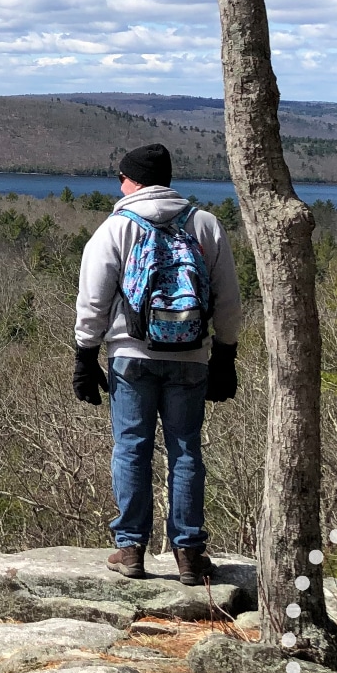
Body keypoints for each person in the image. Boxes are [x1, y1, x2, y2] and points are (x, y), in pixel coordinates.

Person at [72, 142, 242, 585]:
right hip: (192, 357)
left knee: (132, 447)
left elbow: (93, 298)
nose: (119, 183)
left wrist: (85, 354)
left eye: (122, 176)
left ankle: (130, 549)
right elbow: (228, 297)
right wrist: (226, 353)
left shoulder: (116, 227)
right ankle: (189, 554)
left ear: (133, 180)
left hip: (131, 355)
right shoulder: (203, 223)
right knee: (185, 450)